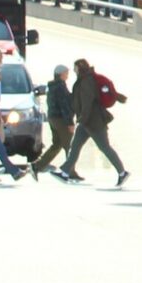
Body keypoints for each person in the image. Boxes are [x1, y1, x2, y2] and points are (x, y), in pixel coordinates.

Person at [62, 58, 130, 187]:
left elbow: (87, 102)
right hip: (87, 121)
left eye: (75, 67)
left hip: (93, 121)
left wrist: (82, 118)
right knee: (75, 146)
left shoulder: (86, 81)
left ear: (80, 68)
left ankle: (122, 172)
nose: (74, 69)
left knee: (104, 147)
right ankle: (65, 171)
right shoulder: (85, 79)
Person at [31, 64, 77, 181]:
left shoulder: (52, 86)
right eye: (66, 73)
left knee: (57, 144)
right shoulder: (60, 87)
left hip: (53, 118)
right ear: (61, 74)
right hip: (60, 119)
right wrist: (70, 122)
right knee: (69, 145)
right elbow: (64, 106)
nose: (67, 75)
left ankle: (37, 166)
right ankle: (69, 171)